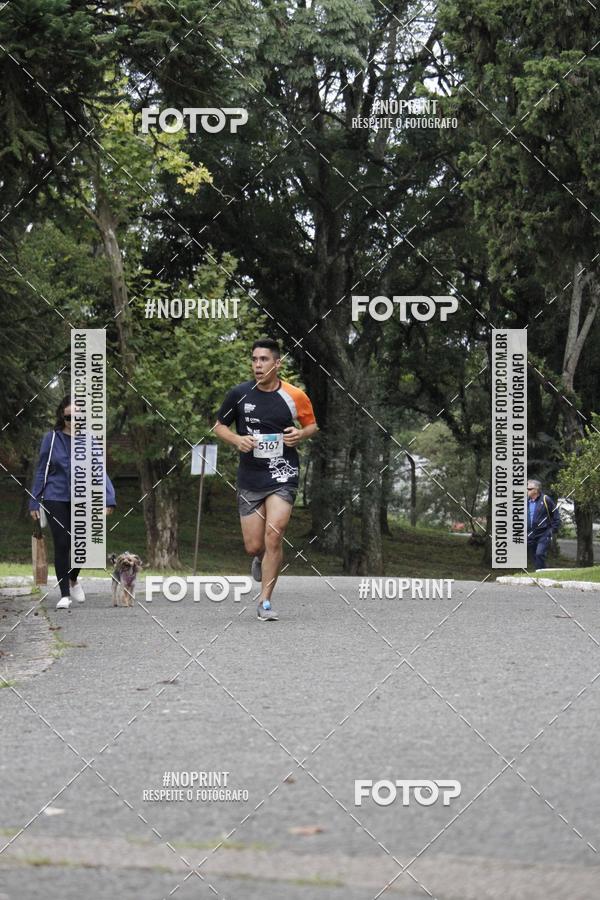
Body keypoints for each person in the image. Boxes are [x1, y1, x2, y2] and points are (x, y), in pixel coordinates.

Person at [214, 339, 318, 621]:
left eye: (263, 360)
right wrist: (237, 440)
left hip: (283, 473)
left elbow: (311, 425)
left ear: (277, 364)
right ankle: (259, 558)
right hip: (250, 476)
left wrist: (301, 435)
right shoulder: (239, 394)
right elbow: (218, 426)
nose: (257, 365)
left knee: (275, 534)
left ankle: (265, 602)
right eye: (254, 360)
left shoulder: (295, 395)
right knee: (254, 545)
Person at [29, 395, 116, 609]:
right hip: (54, 497)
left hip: (82, 498)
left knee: (84, 544)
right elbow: (42, 470)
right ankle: (64, 594)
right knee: (62, 543)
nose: (73, 419)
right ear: (62, 416)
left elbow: (99, 471)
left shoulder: (89, 440)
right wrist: (34, 500)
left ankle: (73, 577)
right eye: (69, 416)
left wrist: (108, 498)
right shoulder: (51, 439)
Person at [527, 478, 561, 570]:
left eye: (529, 489)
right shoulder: (525, 502)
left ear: (536, 490)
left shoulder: (546, 499)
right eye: (527, 488)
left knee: (540, 553)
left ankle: (540, 574)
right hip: (530, 534)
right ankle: (541, 571)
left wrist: (552, 530)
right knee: (534, 556)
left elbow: (556, 515)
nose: (527, 490)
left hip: (544, 533)